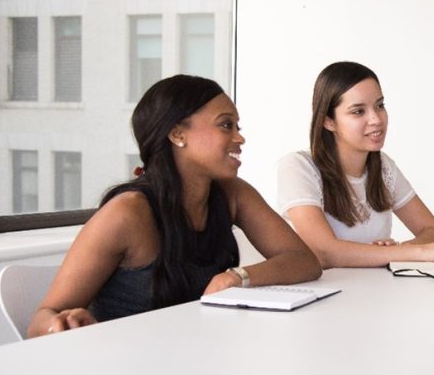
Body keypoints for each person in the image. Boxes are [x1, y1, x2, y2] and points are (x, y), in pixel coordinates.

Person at [28, 75, 322, 337]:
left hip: (195, 359)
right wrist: (62, 324)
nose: (239, 137)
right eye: (225, 125)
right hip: (127, 371)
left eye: (237, 126)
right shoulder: (127, 213)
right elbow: (40, 322)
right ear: (177, 134)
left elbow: (303, 261)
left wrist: (237, 277)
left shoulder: (233, 194)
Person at [277, 61, 434, 268]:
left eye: (379, 105)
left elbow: (432, 231)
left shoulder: (383, 166)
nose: (376, 119)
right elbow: (325, 252)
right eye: (358, 111)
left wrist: (393, 252)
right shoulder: (298, 167)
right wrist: (406, 252)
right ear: (328, 121)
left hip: (376, 292)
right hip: (328, 295)